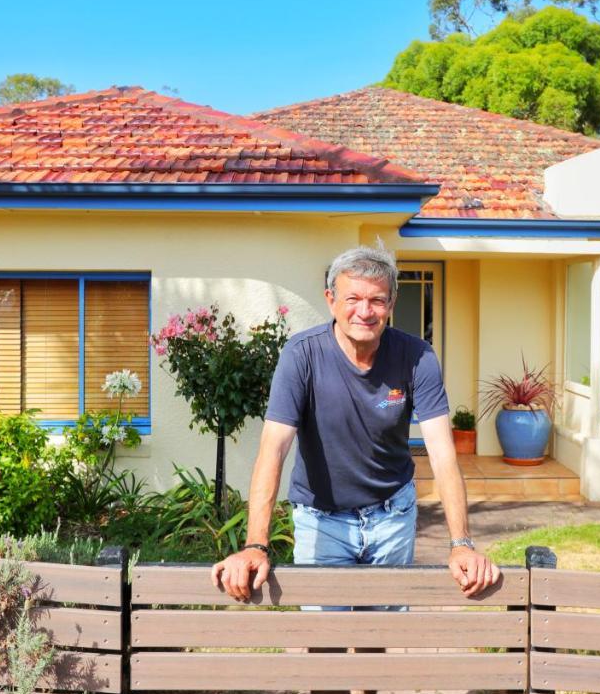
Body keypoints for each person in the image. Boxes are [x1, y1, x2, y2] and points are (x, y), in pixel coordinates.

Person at [211, 245, 501, 602]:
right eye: (353, 298)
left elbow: (443, 455)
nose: (365, 311)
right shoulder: (301, 355)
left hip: (392, 517)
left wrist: (461, 545)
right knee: (322, 641)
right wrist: (256, 544)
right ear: (330, 299)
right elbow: (273, 450)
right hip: (321, 521)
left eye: (377, 300)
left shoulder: (417, 357)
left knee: (377, 638)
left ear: (392, 304)